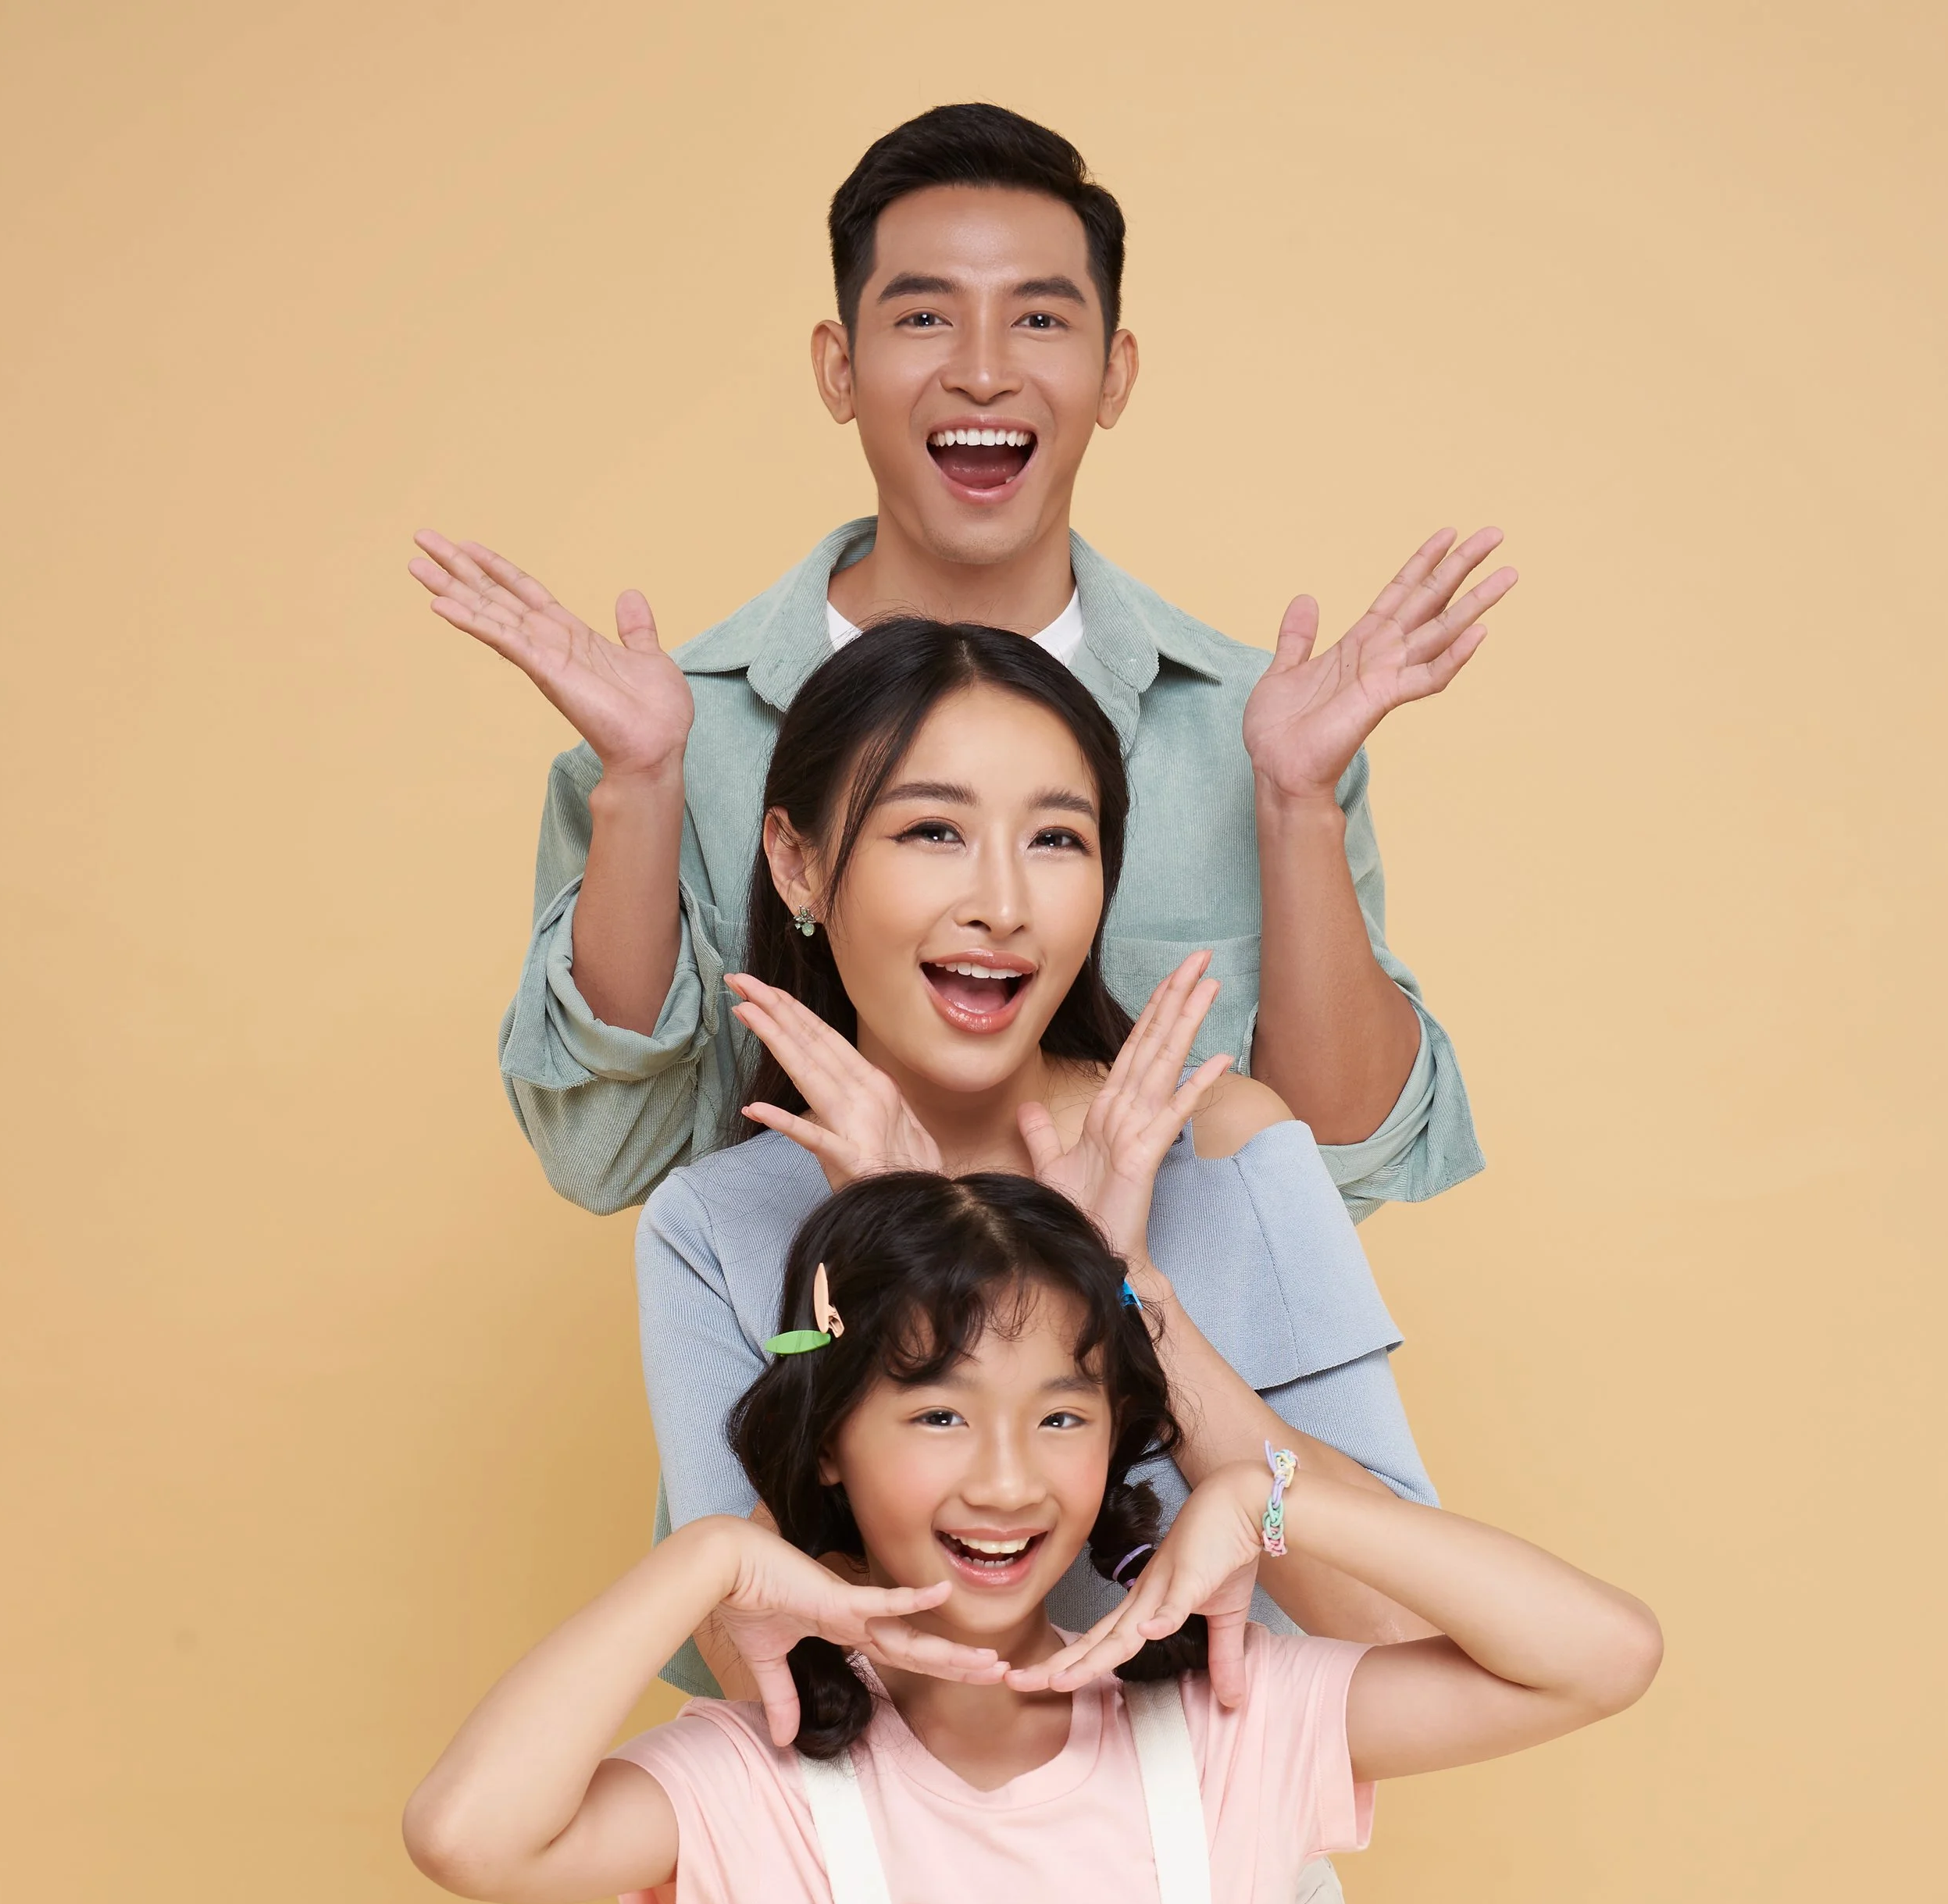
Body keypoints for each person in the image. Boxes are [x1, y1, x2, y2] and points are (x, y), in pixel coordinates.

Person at [403, 1171, 1662, 1904]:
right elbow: (466, 1835)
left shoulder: (1233, 1722)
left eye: (1063, 1418)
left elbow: (1603, 1656)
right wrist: (710, 1558)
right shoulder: (762, 1784)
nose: (1008, 1481)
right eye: (940, 1417)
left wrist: (1263, 1499)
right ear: (830, 1442)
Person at [630, 616, 1441, 1904]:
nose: (1001, 896)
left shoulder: (1220, 1150)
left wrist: (1114, 1276)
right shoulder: (721, 1225)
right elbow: (765, 1660)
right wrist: (909, 1226)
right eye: (932, 829)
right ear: (793, 854)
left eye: (1057, 837)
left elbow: (1367, 1606)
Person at [408, 102, 1514, 1221]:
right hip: (818, 1378)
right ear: (838, 369)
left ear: (1115, 374)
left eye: (1040, 320)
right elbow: (605, 1155)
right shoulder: (663, 728)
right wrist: (645, 785)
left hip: (1180, 1382)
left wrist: (1295, 801)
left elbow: (1335, 1169)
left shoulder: (1258, 729)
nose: (983, 372)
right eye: (925, 315)